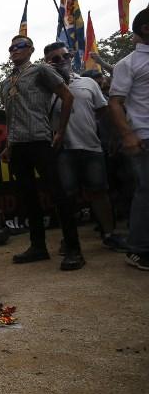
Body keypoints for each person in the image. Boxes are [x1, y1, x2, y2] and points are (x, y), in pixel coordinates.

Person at [0, 34, 84, 270]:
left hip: (40, 141)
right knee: (28, 198)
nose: (14, 50)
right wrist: (8, 145)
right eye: (11, 46)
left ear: (30, 50)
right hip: (18, 146)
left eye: (20, 46)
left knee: (58, 194)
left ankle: (74, 249)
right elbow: (10, 117)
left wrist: (60, 131)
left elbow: (67, 96)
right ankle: (38, 247)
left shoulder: (40, 71)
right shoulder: (6, 82)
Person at [44, 42, 128, 252]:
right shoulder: (44, 89)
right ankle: (70, 239)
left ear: (71, 56)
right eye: (55, 59)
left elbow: (102, 111)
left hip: (91, 146)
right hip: (62, 150)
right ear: (47, 63)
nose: (61, 60)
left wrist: (113, 137)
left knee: (99, 192)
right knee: (67, 196)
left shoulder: (89, 83)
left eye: (65, 56)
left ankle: (109, 234)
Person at [108, 9, 149, 270]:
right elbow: (115, 103)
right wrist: (128, 135)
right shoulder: (129, 63)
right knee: (147, 191)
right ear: (146, 28)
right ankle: (139, 248)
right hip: (145, 135)